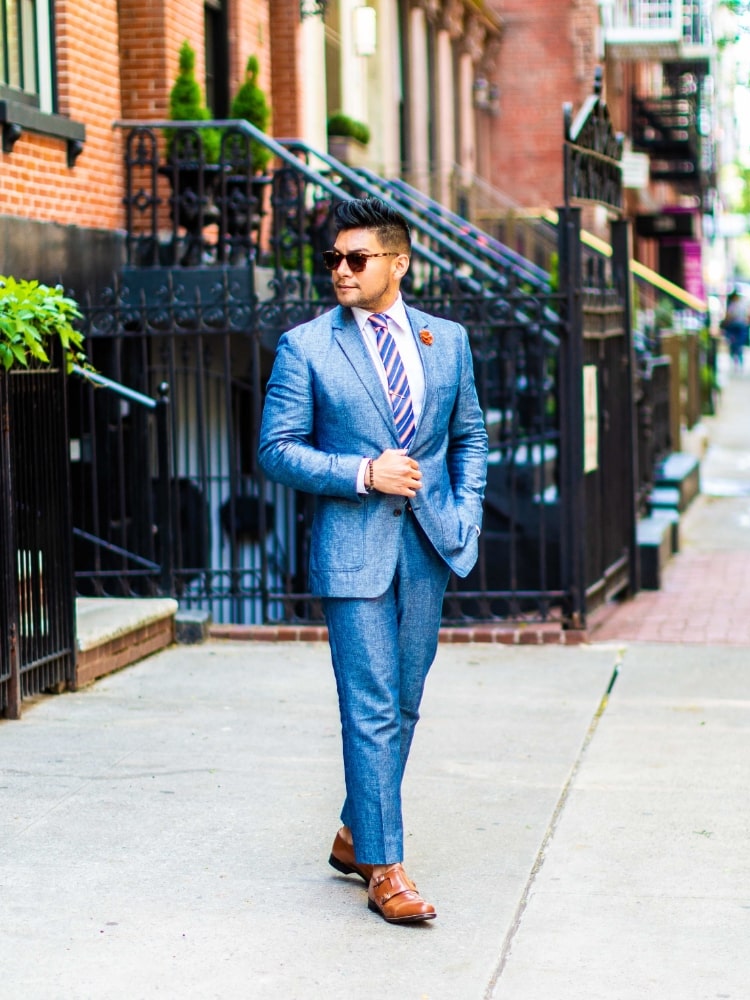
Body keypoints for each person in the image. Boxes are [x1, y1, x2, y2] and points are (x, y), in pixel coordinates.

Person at [258, 196, 488, 924]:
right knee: (370, 706)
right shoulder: (306, 347)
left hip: (429, 543)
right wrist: (363, 474)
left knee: (405, 701)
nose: (341, 271)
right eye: (333, 259)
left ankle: (357, 828)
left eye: (357, 259)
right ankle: (384, 869)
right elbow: (276, 450)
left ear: (398, 262)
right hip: (352, 547)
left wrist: (466, 512)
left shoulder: (444, 340)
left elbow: (471, 437)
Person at [721, 290, 750, 371]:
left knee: (735, 343)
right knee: (737, 343)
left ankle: (737, 360)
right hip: (738, 326)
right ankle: (738, 360)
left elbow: (728, 316)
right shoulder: (740, 305)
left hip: (736, 326)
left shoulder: (733, 305)